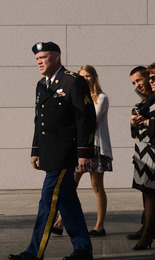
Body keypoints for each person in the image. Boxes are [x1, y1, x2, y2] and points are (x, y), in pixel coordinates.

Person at [8, 42, 96, 260]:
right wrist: (35, 149)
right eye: (37, 59)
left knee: (48, 201)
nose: (39, 62)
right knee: (67, 202)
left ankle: (34, 253)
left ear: (56, 57)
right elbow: (39, 121)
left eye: (44, 57)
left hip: (65, 153)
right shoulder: (41, 84)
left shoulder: (72, 81)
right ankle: (83, 249)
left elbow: (85, 118)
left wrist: (84, 151)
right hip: (49, 152)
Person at [52, 65, 113, 237]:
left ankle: (99, 226)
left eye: (88, 76)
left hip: (96, 147)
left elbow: (88, 120)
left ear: (94, 77)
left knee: (97, 186)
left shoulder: (101, 98)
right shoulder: (76, 96)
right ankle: (59, 222)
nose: (85, 79)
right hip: (79, 148)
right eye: (82, 76)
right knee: (70, 184)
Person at [126, 66, 154, 242]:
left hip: (152, 153)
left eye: (139, 80)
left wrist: (144, 121)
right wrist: (134, 122)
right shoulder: (144, 102)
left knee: (151, 193)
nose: (137, 85)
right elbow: (135, 133)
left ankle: (147, 234)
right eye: (133, 83)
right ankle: (146, 227)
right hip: (142, 153)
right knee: (146, 192)